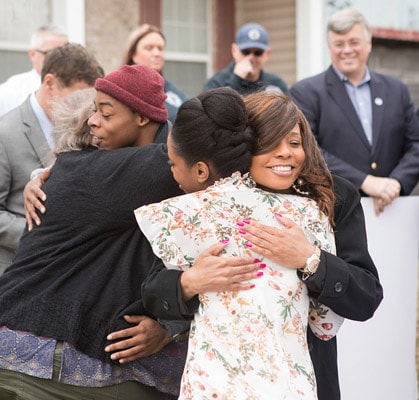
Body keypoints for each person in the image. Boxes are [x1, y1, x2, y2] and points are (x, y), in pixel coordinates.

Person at [0, 65, 207, 399]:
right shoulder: (156, 168)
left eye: (105, 113)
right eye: (94, 110)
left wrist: (170, 327)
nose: (92, 120)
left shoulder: (161, 169)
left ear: (141, 118)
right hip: (42, 346)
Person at [135, 89, 345, 399]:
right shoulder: (310, 215)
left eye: (173, 163)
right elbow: (325, 324)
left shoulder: (172, 217)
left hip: (213, 386)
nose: (170, 172)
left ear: (201, 169)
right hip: (287, 387)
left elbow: (151, 293)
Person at [289, 7, 419, 216]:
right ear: (329, 47)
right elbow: (308, 149)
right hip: (336, 210)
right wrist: (365, 182)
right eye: (339, 44)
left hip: (393, 210)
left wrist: (396, 183)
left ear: (368, 44)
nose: (346, 50)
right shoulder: (305, 92)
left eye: (354, 42)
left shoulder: (396, 90)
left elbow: (416, 144)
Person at [0, 43, 104, 274]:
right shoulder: (5, 132)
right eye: (78, 96)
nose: (88, 111)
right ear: (49, 83)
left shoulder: (92, 128)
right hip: (17, 270)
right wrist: (45, 235)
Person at [122, 24, 189, 122]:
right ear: (133, 55)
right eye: (149, 48)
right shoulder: (121, 89)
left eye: (160, 49)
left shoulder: (170, 89)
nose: (157, 54)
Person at [0, 24, 68, 117]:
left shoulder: (79, 88)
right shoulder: (11, 91)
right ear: (32, 54)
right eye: (51, 53)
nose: (60, 59)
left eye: (65, 53)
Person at [203, 22, 288, 95]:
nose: (251, 58)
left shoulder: (276, 85)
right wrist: (236, 79)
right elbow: (216, 112)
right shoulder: (216, 83)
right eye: (245, 52)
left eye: (258, 53)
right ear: (234, 51)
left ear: (267, 54)